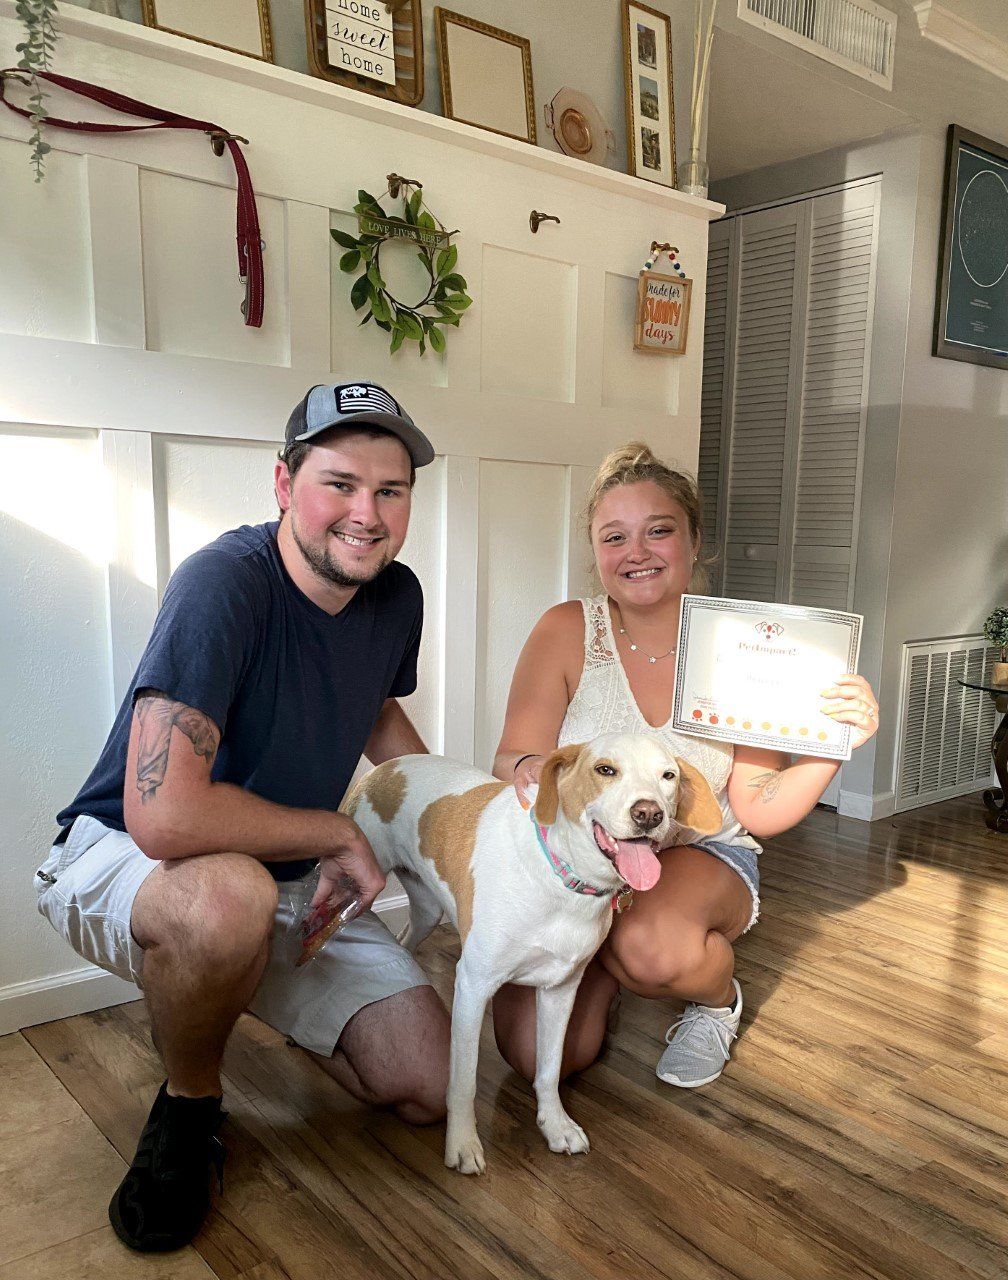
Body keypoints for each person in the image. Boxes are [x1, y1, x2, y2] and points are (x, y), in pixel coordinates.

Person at [36, 381, 451, 1253]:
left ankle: (243, 982)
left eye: (391, 490)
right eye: (341, 484)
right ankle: (189, 1108)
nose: (367, 514)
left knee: (430, 1086)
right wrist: (337, 832)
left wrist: (462, 815)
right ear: (284, 483)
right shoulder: (224, 583)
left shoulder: (396, 596)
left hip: (281, 880)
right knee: (229, 901)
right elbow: (164, 817)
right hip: (125, 853)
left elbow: (378, 711)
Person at [492, 441, 879, 1090]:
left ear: (695, 542)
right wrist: (534, 770)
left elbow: (759, 805)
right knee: (536, 1057)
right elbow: (512, 757)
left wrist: (833, 744)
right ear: (595, 551)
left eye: (659, 530)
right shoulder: (565, 630)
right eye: (614, 537)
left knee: (651, 949)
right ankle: (605, 953)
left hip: (697, 850)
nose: (636, 552)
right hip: (583, 856)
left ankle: (715, 1001)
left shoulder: (743, 646)